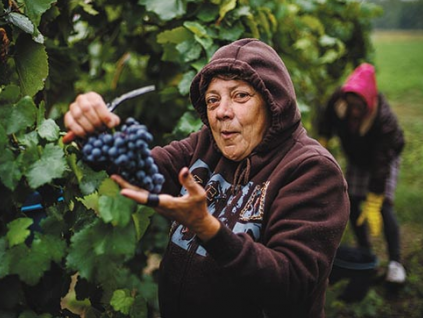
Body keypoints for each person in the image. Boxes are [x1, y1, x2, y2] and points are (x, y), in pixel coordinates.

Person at [65, 39, 349, 317]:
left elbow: (289, 283)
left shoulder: (312, 170)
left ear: (274, 102)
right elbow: (144, 170)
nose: (222, 112)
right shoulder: (206, 146)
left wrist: (208, 229)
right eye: (213, 100)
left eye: (240, 96)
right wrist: (95, 130)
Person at [317, 63, 406, 284]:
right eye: (351, 105)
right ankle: (366, 252)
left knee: (383, 205)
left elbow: (381, 163)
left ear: (368, 103)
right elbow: (326, 122)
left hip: (383, 159)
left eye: (359, 107)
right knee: (354, 203)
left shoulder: (384, 120)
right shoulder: (339, 100)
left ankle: (395, 262)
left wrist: (375, 198)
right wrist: (322, 145)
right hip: (358, 156)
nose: (354, 111)